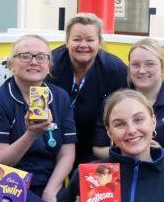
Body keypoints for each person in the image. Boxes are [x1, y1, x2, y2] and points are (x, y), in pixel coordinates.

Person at [0, 34, 76, 202]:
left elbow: (67, 153)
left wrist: (51, 191)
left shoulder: (60, 97)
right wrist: (30, 135)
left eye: (41, 57)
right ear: (11, 64)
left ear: (49, 65)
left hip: (50, 184)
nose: (34, 62)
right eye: (25, 56)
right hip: (9, 187)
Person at [92, 38, 164, 170]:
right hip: (123, 176)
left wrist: (160, 154)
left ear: (162, 66)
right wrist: (128, 152)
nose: (142, 70)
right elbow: (98, 148)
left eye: (150, 64)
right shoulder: (114, 102)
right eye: (135, 65)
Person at [48, 13, 129, 164]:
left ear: (99, 43)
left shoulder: (115, 69)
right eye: (77, 39)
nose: (83, 45)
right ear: (67, 42)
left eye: (90, 40)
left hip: (95, 145)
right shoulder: (50, 65)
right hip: (54, 140)